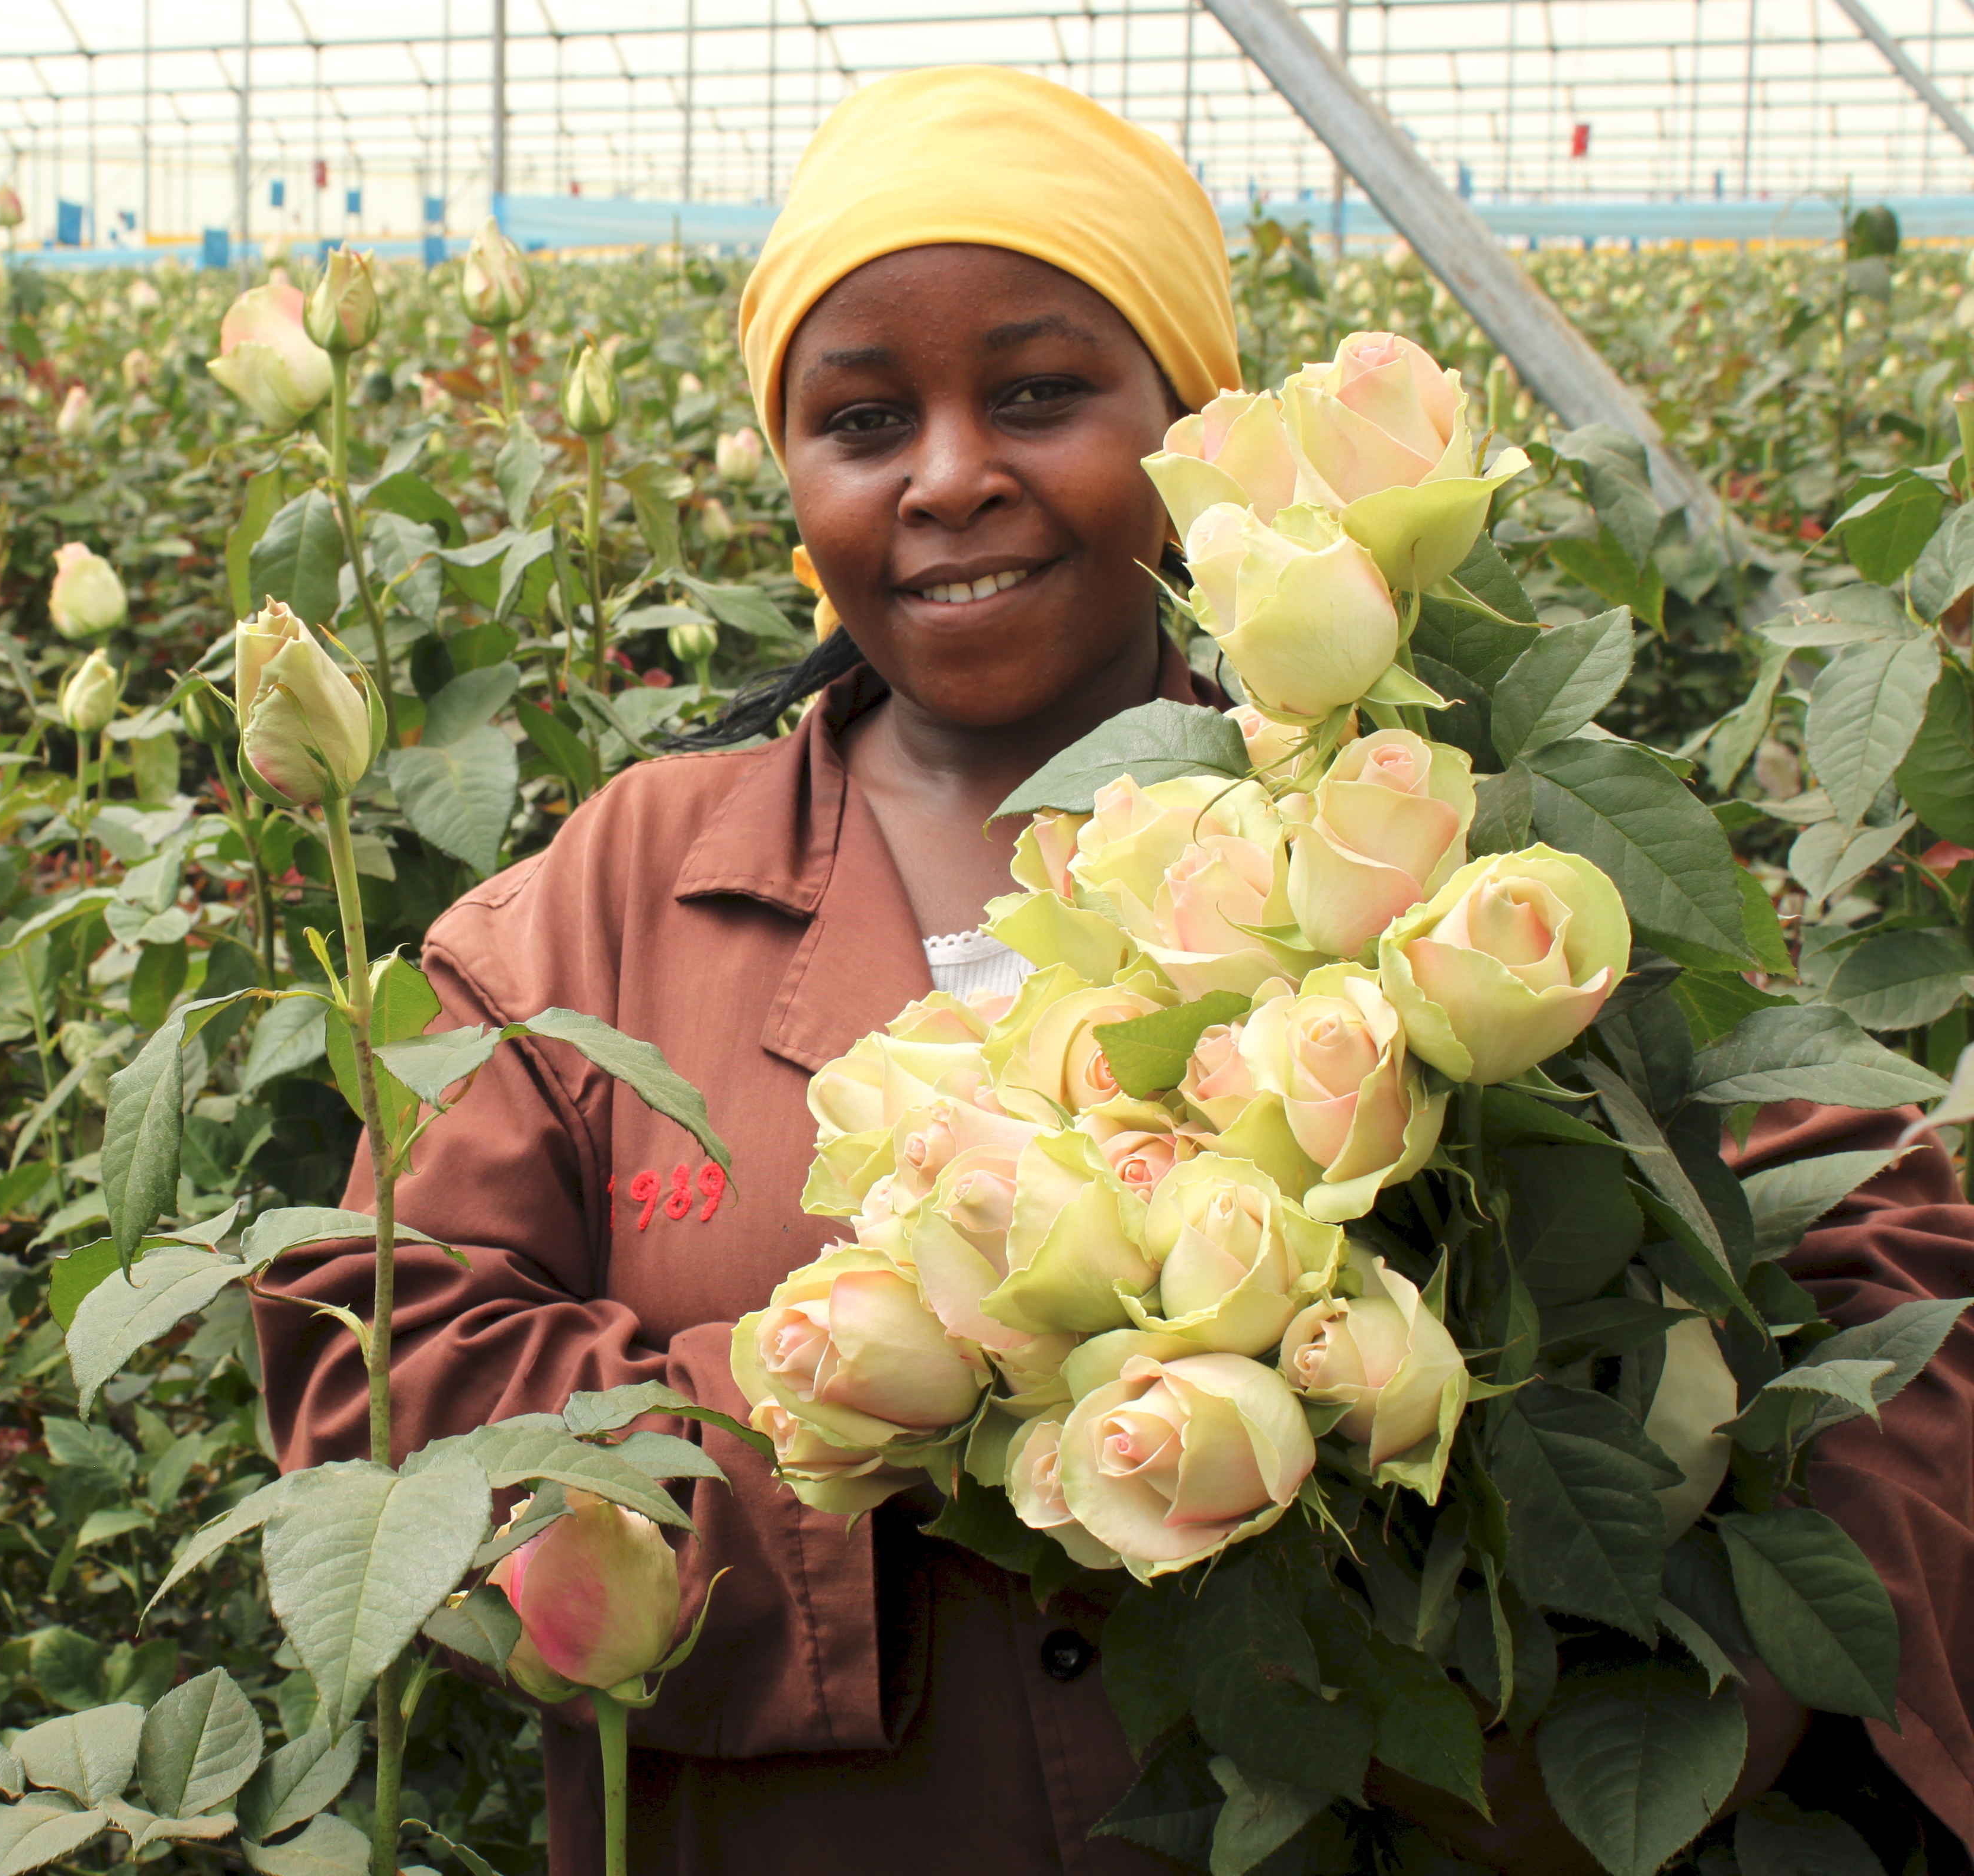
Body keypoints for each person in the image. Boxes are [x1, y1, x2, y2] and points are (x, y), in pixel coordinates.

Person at [255, 65, 1974, 1876]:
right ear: (794, 479)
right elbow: (385, 1362)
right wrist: (875, 1402)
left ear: (1187, 422)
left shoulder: (1423, 818)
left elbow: (1872, 1237)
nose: (948, 476)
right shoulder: (611, 899)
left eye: (1037, 391)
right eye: (860, 418)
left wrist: (1754, 1681)